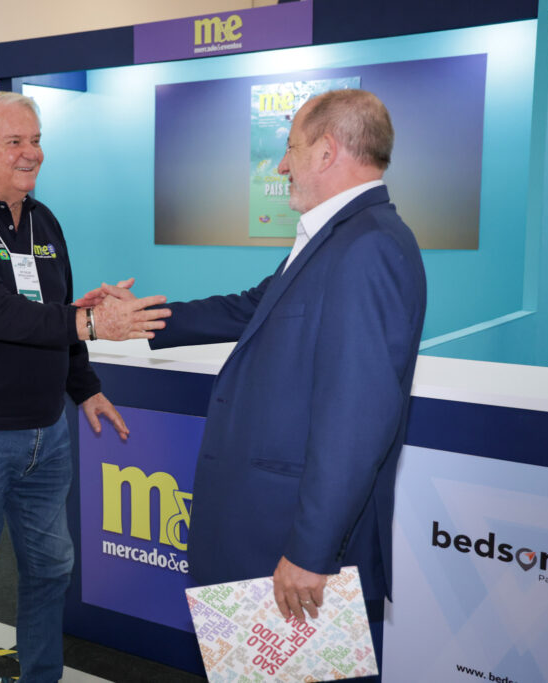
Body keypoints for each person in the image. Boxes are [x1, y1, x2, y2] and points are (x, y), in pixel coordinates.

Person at [83, 89, 426, 677]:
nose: (282, 165)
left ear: (326, 151)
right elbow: (250, 309)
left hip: (291, 542)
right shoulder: (338, 237)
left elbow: (356, 421)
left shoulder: (368, 248)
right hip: (264, 531)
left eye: (289, 149)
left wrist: (311, 553)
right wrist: (139, 320)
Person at [0, 92, 169, 683]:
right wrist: (91, 322)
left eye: (36, 140)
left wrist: (85, 387)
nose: (33, 154)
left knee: (51, 567)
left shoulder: (45, 221)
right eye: (16, 142)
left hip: (44, 436)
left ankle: (42, 676)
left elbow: (56, 315)